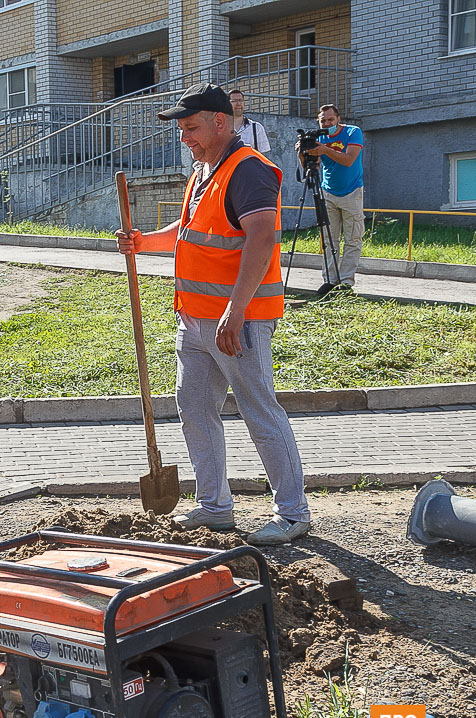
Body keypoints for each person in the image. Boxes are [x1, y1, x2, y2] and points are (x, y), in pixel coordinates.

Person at [116, 82, 310, 547]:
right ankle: (215, 506)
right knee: (195, 409)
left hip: (235, 321)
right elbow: (189, 230)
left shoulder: (249, 170)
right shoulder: (206, 170)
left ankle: (293, 512)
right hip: (194, 318)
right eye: (182, 129)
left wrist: (235, 311)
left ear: (220, 122)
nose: (185, 138)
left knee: (259, 410)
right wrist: (145, 242)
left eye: (192, 128)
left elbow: (261, 239)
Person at [296, 104, 364, 294]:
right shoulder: (320, 136)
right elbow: (312, 167)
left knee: (353, 238)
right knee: (329, 239)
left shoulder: (353, 132)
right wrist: (302, 154)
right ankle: (330, 280)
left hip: (352, 191)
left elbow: (349, 159)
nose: (326, 123)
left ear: (338, 119)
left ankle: (346, 282)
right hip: (328, 192)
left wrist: (325, 150)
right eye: (323, 120)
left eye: (330, 120)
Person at [228, 89, 270, 153]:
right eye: (234, 101)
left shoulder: (256, 128)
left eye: (240, 100)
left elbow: (262, 157)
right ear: (227, 104)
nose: (238, 103)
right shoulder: (220, 128)